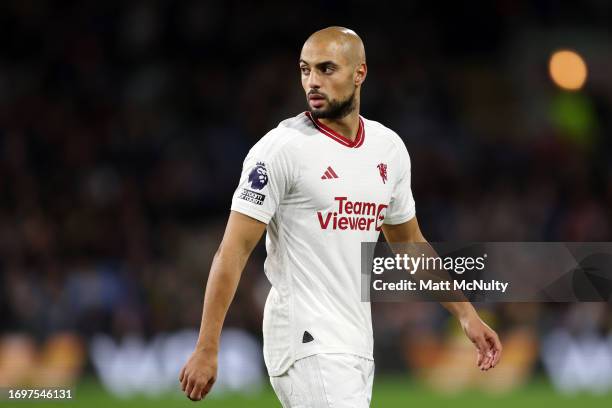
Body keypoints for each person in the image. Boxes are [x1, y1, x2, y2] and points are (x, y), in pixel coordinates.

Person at [179, 26, 502, 407]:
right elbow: (232, 251)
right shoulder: (280, 150)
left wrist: (465, 313)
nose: (312, 81)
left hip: (354, 342)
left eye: (326, 68)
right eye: (305, 70)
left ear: (359, 73)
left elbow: (409, 242)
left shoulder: (388, 149)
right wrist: (207, 346)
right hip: (305, 338)